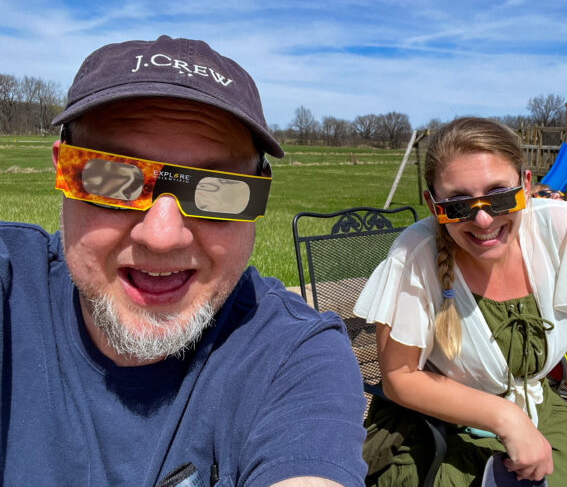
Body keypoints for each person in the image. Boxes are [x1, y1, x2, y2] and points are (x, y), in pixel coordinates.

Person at [0, 36, 367, 486]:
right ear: (61, 169)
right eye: (114, 178)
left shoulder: (294, 360)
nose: (161, 236)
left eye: (217, 190)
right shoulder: (10, 285)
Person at [353, 116, 567, 485]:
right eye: (457, 203)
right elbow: (399, 377)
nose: (483, 219)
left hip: (541, 412)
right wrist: (506, 417)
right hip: (444, 430)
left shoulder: (561, 229)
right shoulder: (413, 257)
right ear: (432, 204)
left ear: (527, 185)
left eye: (500, 195)